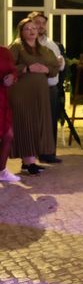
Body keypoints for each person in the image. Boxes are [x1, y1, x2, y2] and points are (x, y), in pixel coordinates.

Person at [8, 18, 59, 175]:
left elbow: (55, 67)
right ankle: (29, 163)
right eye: (27, 29)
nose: (31, 31)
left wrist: (47, 69)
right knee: (25, 123)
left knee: (37, 123)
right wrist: (27, 68)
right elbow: (7, 66)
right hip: (21, 92)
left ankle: (28, 161)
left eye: (33, 28)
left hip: (40, 92)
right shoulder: (17, 47)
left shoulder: (44, 49)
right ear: (21, 32)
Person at [28, 11, 66, 163]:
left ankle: (48, 153)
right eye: (37, 23)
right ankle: (30, 156)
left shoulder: (52, 44)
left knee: (50, 122)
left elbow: (60, 67)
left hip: (50, 89)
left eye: (43, 23)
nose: (41, 26)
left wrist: (60, 63)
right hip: (30, 89)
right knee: (31, 123)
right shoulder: (23, 44)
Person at [0, 46, 19, 182]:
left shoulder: (4, 51)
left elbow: (13, 70)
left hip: (2, 98)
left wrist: (12, 76)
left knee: (8, 134)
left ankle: (1, 171)